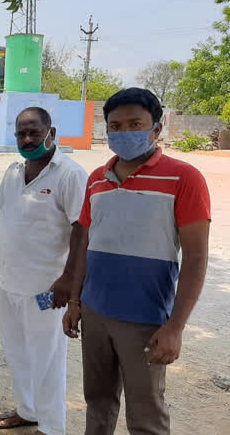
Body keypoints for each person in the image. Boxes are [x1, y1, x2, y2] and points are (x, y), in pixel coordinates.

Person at [63, 88, 211, 435]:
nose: (124, 132)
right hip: (95, 313)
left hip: (145, 321)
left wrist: (175, 328)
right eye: (116, 126)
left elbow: (196, 256)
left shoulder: (184, 178)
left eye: (135, 124)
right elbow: (85, 241)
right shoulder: (97, 179)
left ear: (156, 128)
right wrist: (75, 300)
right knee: (97, 404)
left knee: (146, 418)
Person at [0, 107, 88, 435]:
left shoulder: (69, 173)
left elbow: (82, 229)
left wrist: (69, 280)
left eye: (34, 133)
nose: (27, 139)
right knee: (17, 351)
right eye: (21, 134)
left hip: (46, 289)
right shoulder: (13, 170)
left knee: (47, 357)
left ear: (51, 133)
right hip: (9, 281)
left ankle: (52, 427)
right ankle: (28, 410)